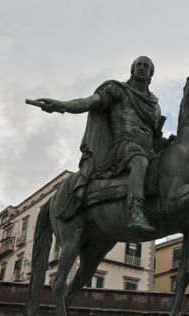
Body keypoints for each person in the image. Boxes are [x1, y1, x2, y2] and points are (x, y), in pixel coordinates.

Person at [38, 56, 161, 234]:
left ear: (151, 73)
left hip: (149, 149)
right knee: (139, 162)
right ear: (132, 70)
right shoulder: (118, 90)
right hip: (124, 147)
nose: (141, 68)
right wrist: (62, 105)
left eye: (146, 66)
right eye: (138, 65)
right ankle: (135, 213)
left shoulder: (155, 105)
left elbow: (154, 133)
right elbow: (89, 102)